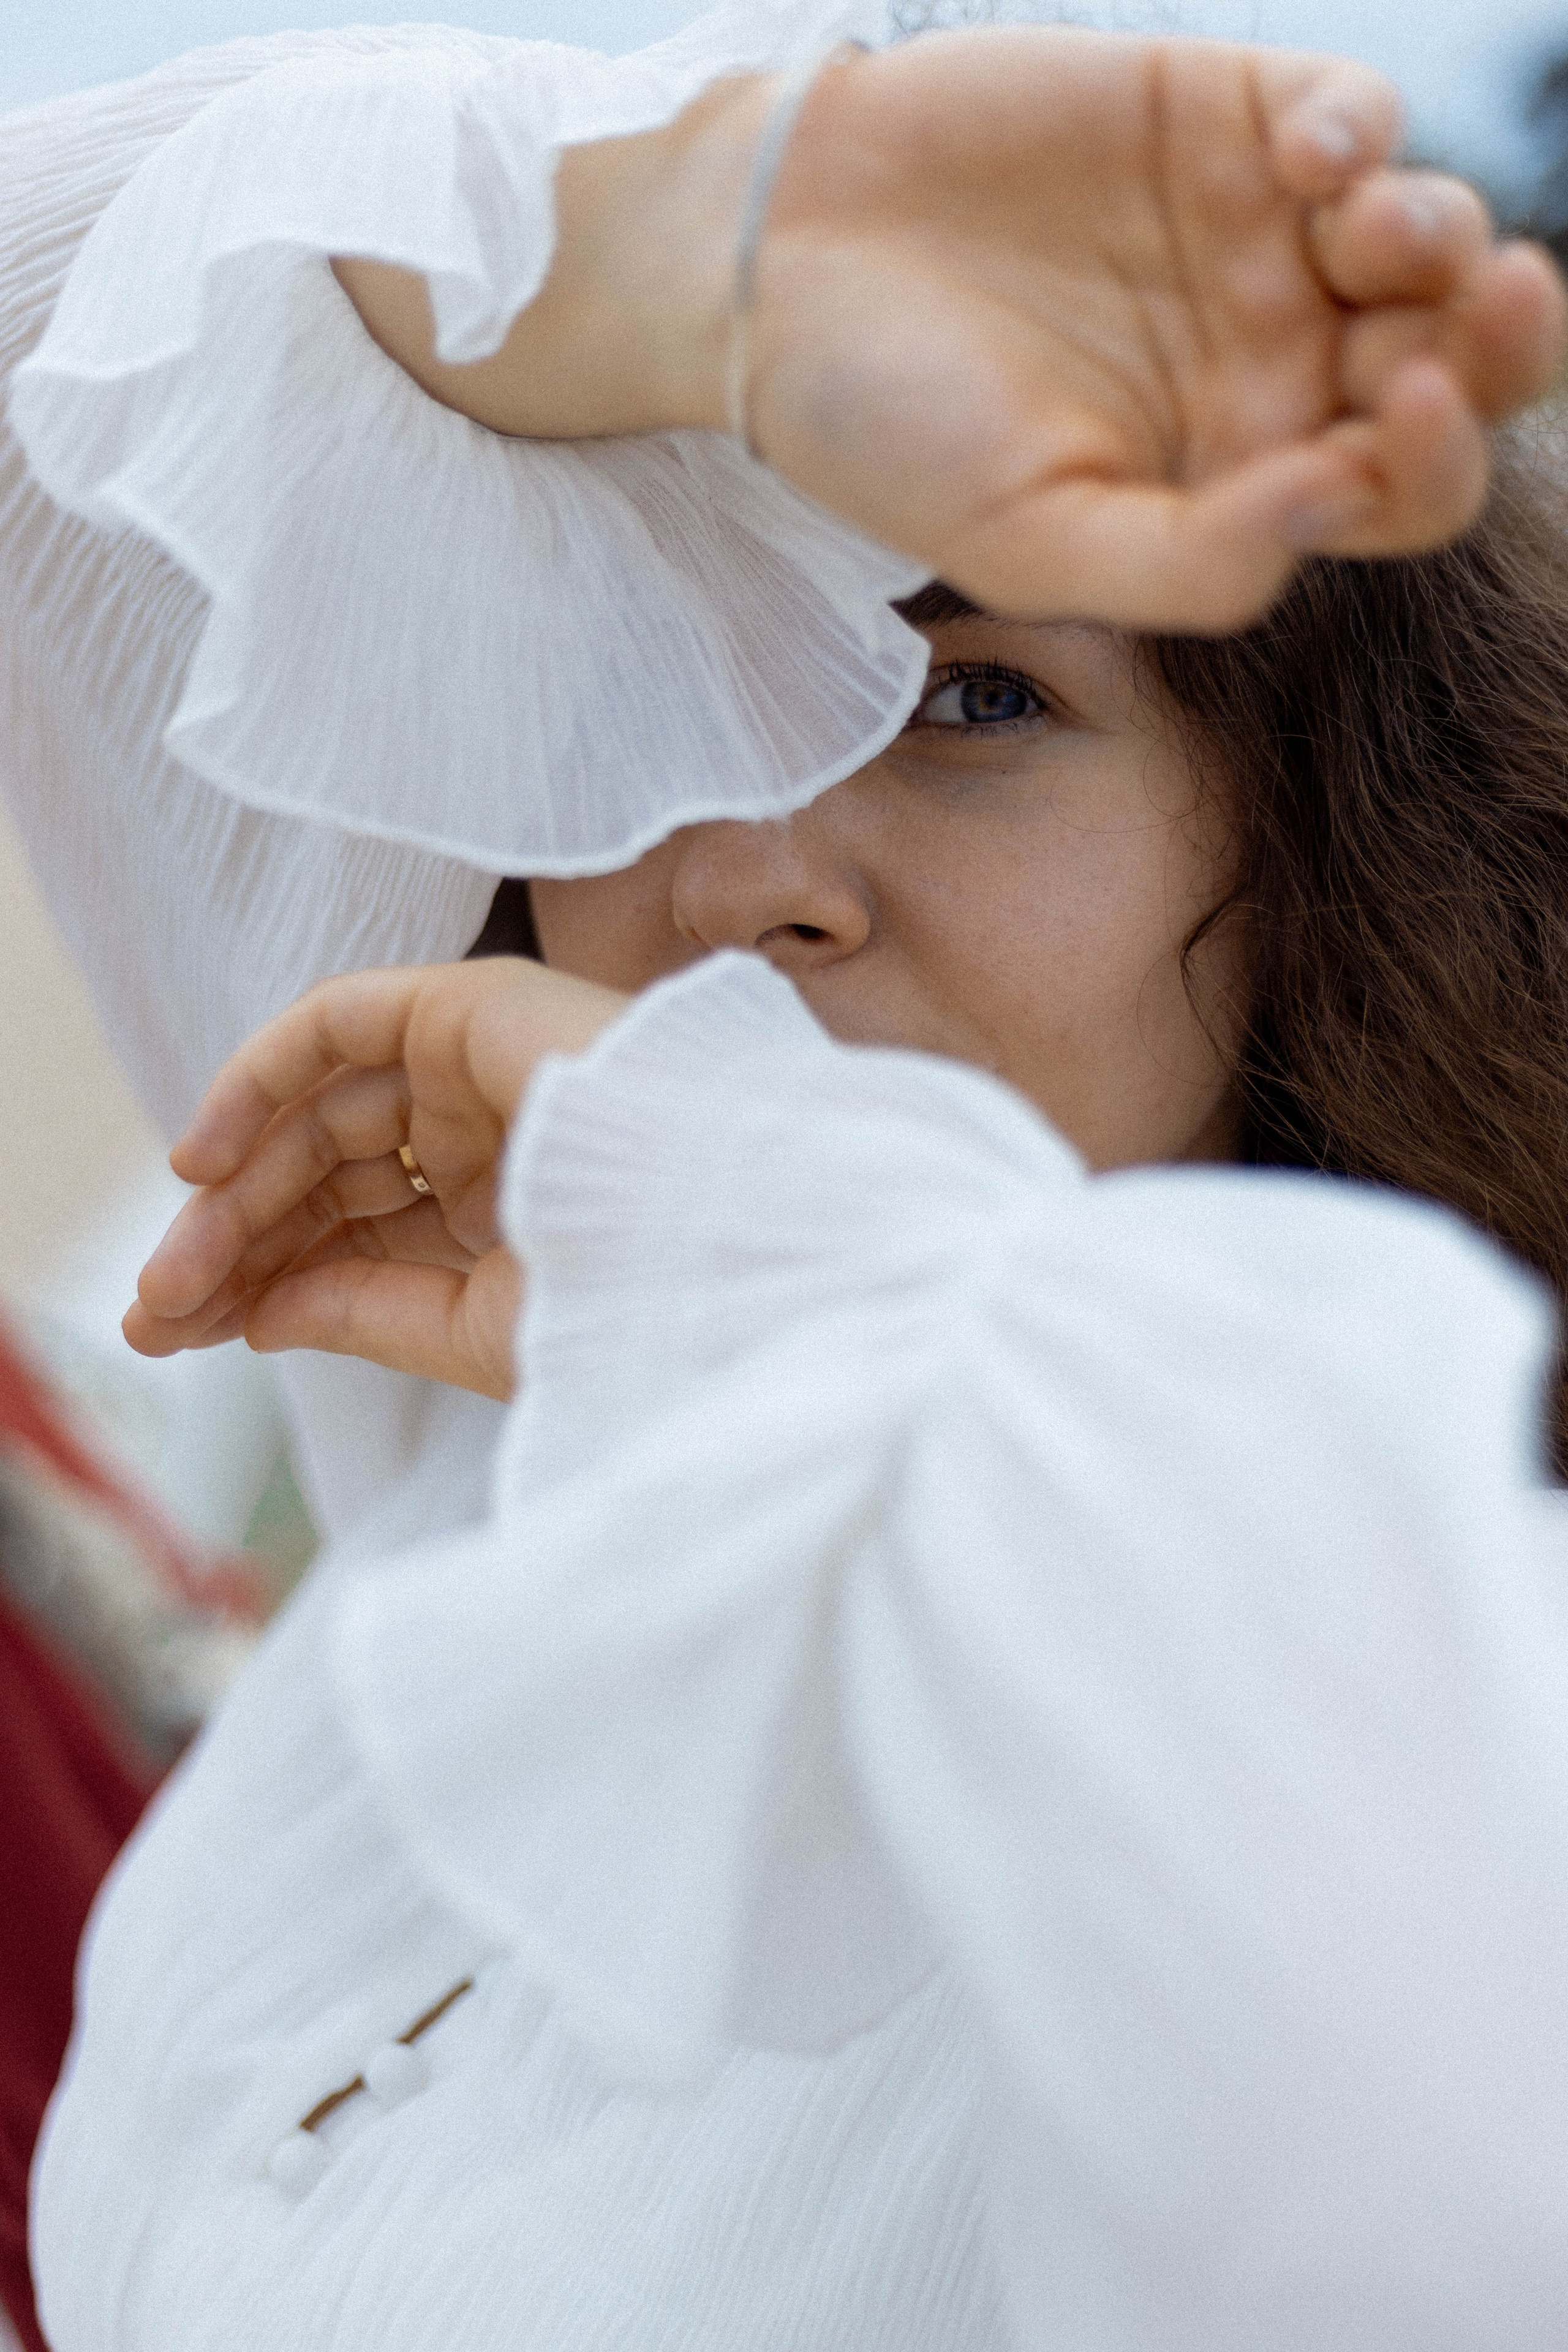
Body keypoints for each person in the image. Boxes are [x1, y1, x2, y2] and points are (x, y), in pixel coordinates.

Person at [2, 2, 1564, 2345]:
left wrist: (794, 1275)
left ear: (1335, 843)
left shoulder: (1423, 1644)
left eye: (969, 698)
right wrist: (673, 251)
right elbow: (54, 324)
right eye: (642, 681)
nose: (738, 871)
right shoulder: (471, 1510)